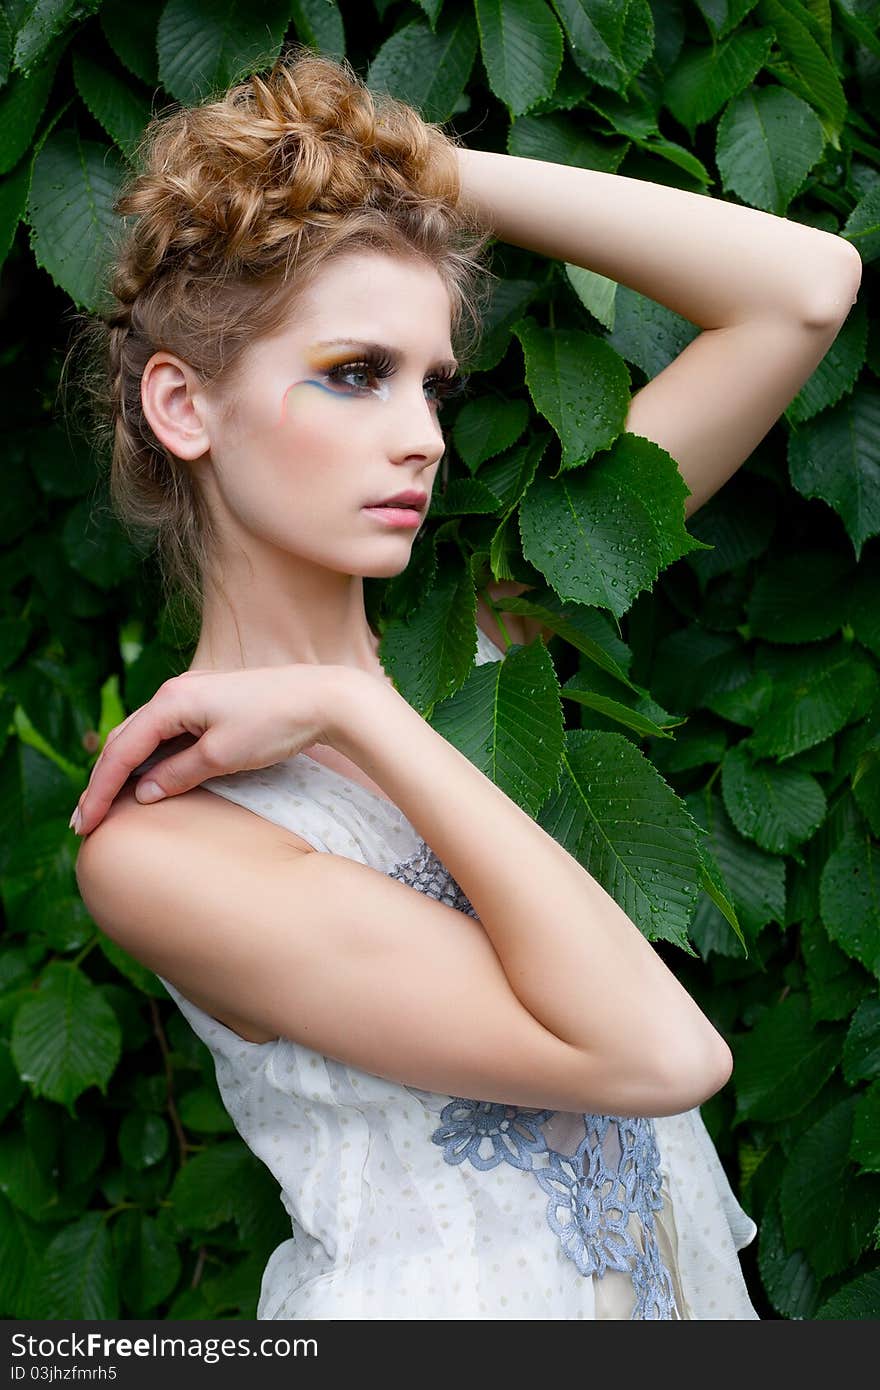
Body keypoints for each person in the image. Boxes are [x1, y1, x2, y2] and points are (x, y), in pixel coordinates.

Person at [66, 40, 856, 1321]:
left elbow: (805, 289)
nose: (423, 432)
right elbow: (662, 1053)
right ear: (182, 405)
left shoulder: (486, 646)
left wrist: (408, 172)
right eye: (353, 373)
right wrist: (355, 709)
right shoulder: (163, 850)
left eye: (433, 380)